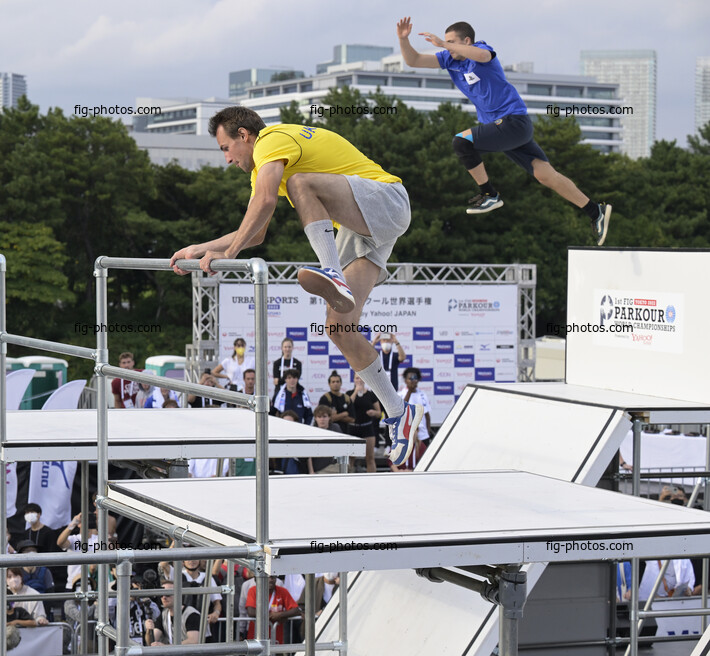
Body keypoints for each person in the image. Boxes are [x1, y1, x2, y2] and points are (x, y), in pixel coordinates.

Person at [169, 106, 423, 465]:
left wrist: (229, 254)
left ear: (244, 136)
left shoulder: (271, 140)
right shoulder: (263, 169)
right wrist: (203, 248)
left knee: (303, 183)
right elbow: (256, 233)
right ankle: (399, 411)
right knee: (340, 329)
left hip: (386, 199)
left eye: (226, 148)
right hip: (361, 227)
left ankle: (330, 271)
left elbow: (265, 202)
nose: (227, 159)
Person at [396, 17, 612, 246]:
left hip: (512, 122)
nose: (446, 45)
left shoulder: (480, 50)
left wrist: (444, 43)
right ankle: (595, 211)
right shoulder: (450, 60)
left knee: (461, 142)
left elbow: (482, 56)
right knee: (545, 175)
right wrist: (403, 39)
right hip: (507, 130)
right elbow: (414, 60)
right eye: (446, 41)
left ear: (466, 40)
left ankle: (490, 194)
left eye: (452, 41)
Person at [245, 576, 300, 645]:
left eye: (273, 577)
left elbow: (296, 610)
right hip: (256, 638)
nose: (270, 580)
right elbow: (251, 611)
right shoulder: (253, 590)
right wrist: (271, 615)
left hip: (276, 639)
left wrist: (279, 615)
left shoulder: (282, 591)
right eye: (267, 577)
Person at [144, 581, 200, 646]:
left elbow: (193, 641)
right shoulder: (163, 614)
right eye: (161, 594)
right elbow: (151, 642)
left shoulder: (191, 614)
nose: (164, 597)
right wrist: (148, 630)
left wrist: (165, 647)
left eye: (168, 594)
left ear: (178, 595)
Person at [346, 374, 381, 473]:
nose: (360, 380)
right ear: (353, 380)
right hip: (353, 428)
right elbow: (347, 405)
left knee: (370, 458)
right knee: (351, 458)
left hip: (367, 428)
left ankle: (372, 480)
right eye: (357, 378)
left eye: (362, 378)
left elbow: (379, 413)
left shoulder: (371, 395)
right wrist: (356, 391)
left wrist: (373, 413)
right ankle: (349, 479)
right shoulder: (349, 393)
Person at [397, 367, 432, 445]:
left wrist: (428, 433)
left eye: (415, 378)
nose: (413, 380)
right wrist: (410, 391)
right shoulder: (400, 394)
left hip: (423, 436)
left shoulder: (422, 395)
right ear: (405, 380)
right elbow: (402, 409)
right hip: (406, 436)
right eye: (410, 378)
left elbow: (427, 416)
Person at [309, 404, 343, 475]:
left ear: (329, 417)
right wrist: (311, 471)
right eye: (319, 417)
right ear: (315, 418)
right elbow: (308, 455)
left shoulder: (335, 429)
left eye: (324, 416)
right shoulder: (311, 432)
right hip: (319, 469)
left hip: (335, 466)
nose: (322, 419)